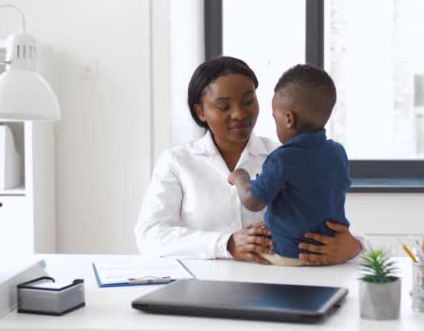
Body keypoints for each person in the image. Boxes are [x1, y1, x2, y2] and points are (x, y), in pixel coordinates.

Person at [135, 56, 365, 265]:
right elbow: (149, 235)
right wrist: (226, 244)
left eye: (247, 101)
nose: (239, 114)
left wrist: (354, 247)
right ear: (200, 111)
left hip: (280, 289)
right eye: (224, 106)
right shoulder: (177, 162)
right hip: (205, 289)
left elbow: (332, 224)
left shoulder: (289, 157)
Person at [228, 64, 351, 266]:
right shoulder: (337, 152)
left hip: (289, 254)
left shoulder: (282, 158)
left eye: (274, 118)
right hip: (327, 255)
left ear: (288, 119)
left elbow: (253, 201)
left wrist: (240, 177)